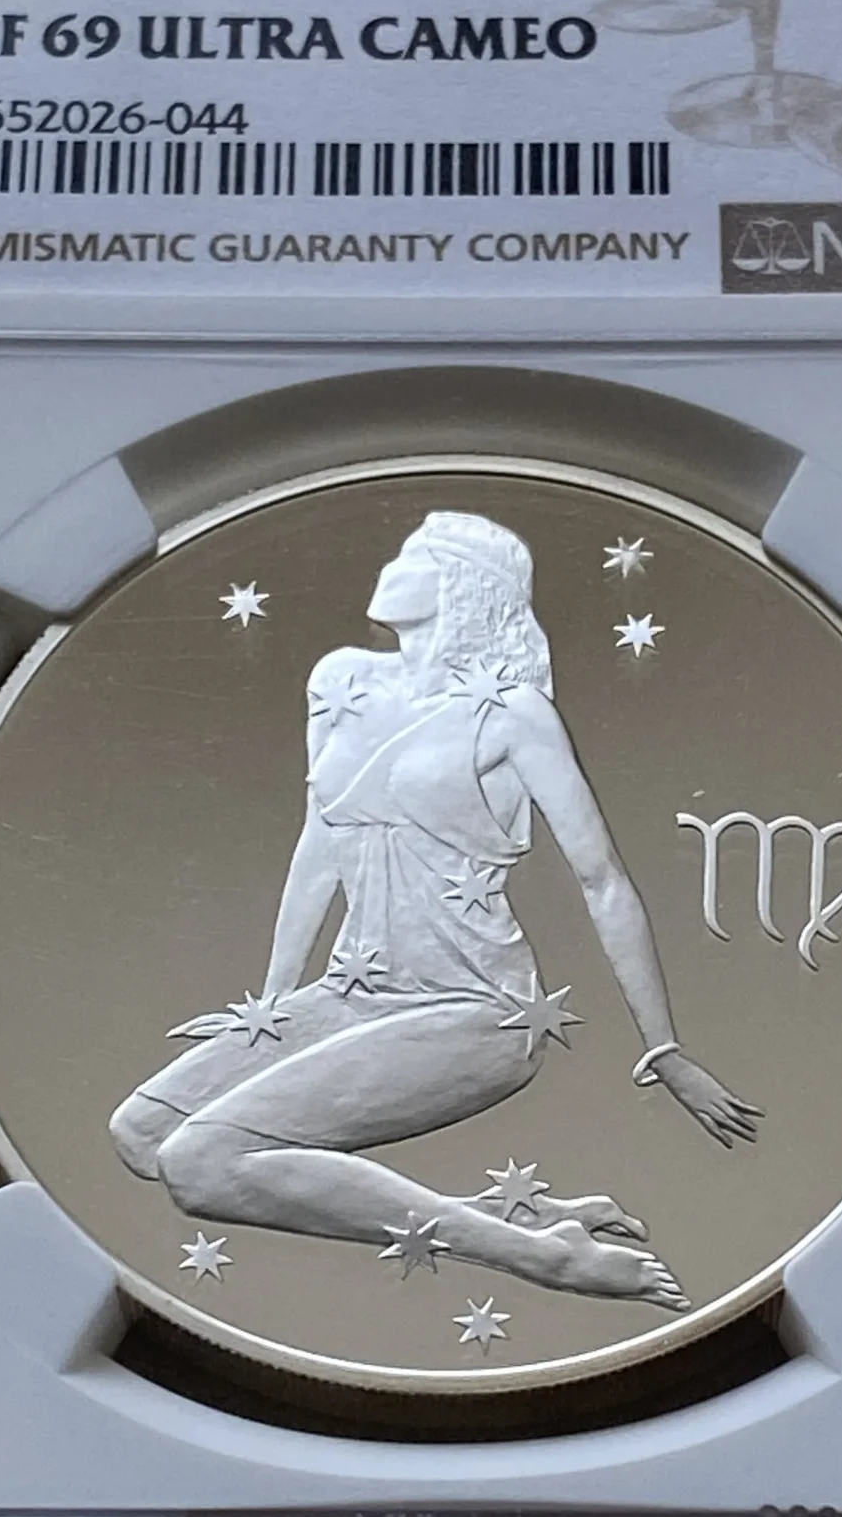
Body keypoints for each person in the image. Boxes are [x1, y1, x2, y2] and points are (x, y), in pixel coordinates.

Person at [110, 509, 758, 1308]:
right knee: (140, 1135)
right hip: (355, 993)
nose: (393, 563)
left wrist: (666, 1050)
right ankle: (501, 1217)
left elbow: (602, 880)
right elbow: (320, 842)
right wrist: (274, 1004)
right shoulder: (341, 679)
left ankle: (539, 1257)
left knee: (200, 1163)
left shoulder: (512, 713)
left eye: (419, 555)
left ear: (466, 586)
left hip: (476, 1009)